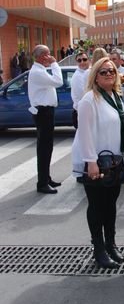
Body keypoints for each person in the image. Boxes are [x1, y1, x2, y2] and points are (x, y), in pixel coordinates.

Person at [71, 57, 124, 269]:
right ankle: (98, 249)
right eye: (104, 72)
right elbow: (85, 133)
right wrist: (91, 162)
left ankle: (111, 244)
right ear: (95, 77)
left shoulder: (115, 96)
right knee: (97, 206)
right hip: (96, 162)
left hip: (113, 161)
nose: (109, 74)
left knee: (111, 205)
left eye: (112, 71)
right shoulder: (89, 99)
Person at [28, 45, 64, 194]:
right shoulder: (37, 72)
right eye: (48, 54)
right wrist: (55, 63)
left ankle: (46, 178)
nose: (50, 57)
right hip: (43, 113)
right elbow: (58, 81)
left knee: (47, 147)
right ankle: (42, 183)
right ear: (42, 56)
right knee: (44, 148)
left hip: (46, 112)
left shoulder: (40, 70)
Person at [70, 50, 91, 128]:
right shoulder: (77, 77)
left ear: (89, 60)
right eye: (79, 60)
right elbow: (83, 96)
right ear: (77, 63)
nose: (82, 62)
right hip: (81, 113)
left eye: (84, 59)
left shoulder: (88, 72)